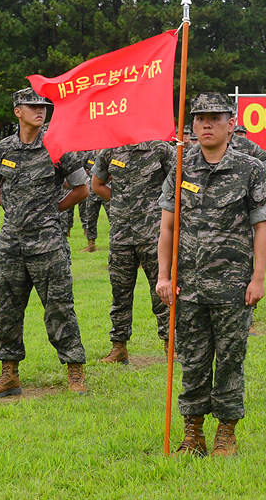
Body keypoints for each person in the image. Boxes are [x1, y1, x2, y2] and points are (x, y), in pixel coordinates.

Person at [156, 92, 266, 457]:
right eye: (199, 118)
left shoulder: (249, 169)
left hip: (232, 286)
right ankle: (193, 433)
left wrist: (257, 278)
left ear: (231, 123)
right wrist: (163, 275)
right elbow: (168, 227)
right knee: (192, 359)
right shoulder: (181, 167)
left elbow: (263, 225)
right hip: (188, 286)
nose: (206, 124)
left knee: (230, 359)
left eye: (215, 118)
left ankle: (226, 432)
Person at [0, 88, 90, 398]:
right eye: (32, 106)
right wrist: (13, 208)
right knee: (9, 309)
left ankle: (74, 371)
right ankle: (9, 374)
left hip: (48, 244)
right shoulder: (3, 149)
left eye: (43, 106)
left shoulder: (58, 146)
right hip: (12, 244)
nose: (39, 111)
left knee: (59, 307)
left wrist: (52, 210)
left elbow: (82, 188)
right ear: (18, 111)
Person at [92, 137, 176, 364]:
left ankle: (171, 345)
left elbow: (177, 183)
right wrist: (121, 202)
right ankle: (119, 347)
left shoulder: (160, 149)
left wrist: (159, 207)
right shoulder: (111, 148)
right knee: (120, 293)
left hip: (154, 235)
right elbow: (97, 184)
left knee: (162, 292)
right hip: (122, 235)